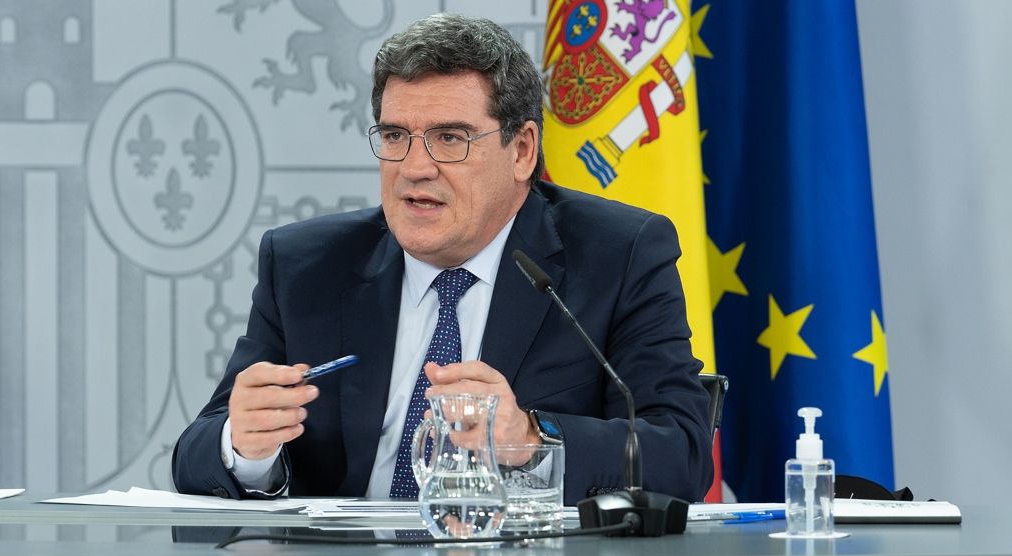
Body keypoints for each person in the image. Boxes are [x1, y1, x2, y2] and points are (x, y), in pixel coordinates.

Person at [172, 13, 713, 504]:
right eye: (395, 136)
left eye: (449, 138)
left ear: (522, 150)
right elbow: (197, 453)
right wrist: (245, 445)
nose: (414, 168)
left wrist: (531, 438)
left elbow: (680, 454)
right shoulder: (307, 266)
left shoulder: (618, 254)